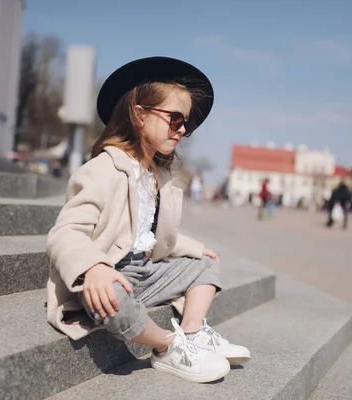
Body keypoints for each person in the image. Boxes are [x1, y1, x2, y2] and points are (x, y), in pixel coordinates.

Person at [45, 57, 250, 384]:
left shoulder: (159, 177)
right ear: (139, 114)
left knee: (207, 265)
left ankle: (192, 333)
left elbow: (149, 234)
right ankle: (168, 347)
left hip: (145, 269)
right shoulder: (102, 170)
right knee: (111, 297)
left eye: (186, 123)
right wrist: (93, 267)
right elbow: (65, 232)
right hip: (109, 274)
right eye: (174, 118)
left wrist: (195, 249)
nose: (182, 129)